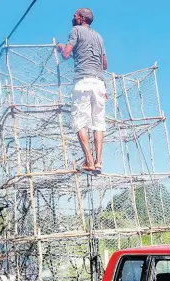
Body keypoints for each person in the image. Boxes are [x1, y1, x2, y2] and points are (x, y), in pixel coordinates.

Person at [57, 8, 108, 172]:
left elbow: (66, 54)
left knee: (80, 123)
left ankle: (89, 162)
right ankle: (98, 161)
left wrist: (61, 47)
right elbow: (104, 65)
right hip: (99, 83)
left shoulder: (75, 30)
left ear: (81, 19)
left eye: (76, 15)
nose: (73, 17)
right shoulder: (99, 37)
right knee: (98, 124)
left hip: (83, 83)